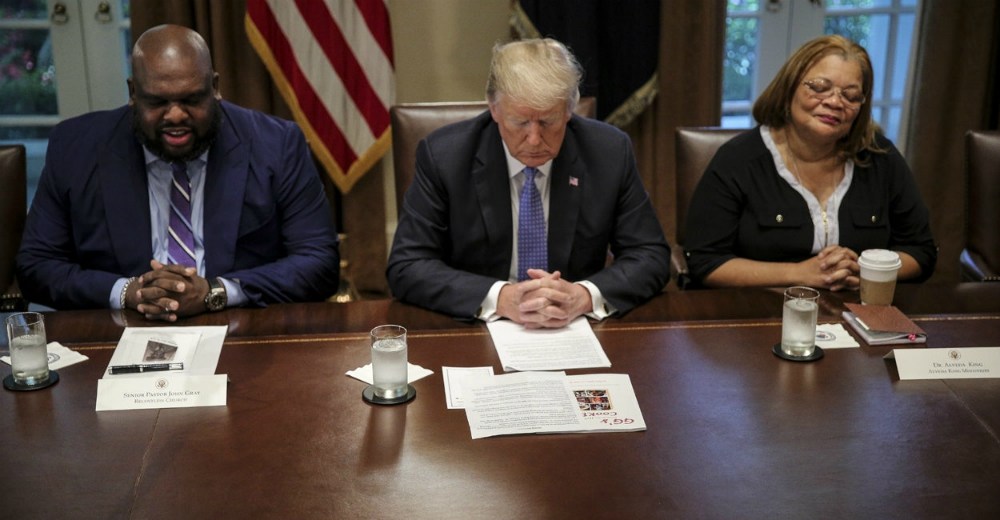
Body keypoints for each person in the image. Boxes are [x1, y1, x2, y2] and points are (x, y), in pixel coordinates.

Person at [16, 24, 340, 320]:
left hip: (241, 331)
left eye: (191, 99)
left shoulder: (276, 145)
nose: (175, 116)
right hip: (120, 334)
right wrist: (128, 292)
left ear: (215, 87)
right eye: (158, 102)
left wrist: (215, 292)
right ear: (133, 93)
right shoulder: (76, 148)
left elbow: (319, 263)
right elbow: (36, 267)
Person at [387, 38, 671, 328]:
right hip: (476, 325)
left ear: (568, 110)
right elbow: (407, 266)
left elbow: (650, 255)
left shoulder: (608, 152)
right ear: (494, 108)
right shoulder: (445, 157)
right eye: (520, 122)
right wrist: (499, 298)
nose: (534, 140)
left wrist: (584, 295)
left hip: (573, 327)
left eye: (548, 122)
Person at [683, 35, 936, 289]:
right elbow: (705, 262)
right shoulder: (738, 159)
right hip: (760, 306)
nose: (835, 102)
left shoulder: (881, 157)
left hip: (858, 306)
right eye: (819, 87)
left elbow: (921, 251)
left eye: (850, 96)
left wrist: (865, 270)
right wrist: (799, 273)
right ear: (789, 88)